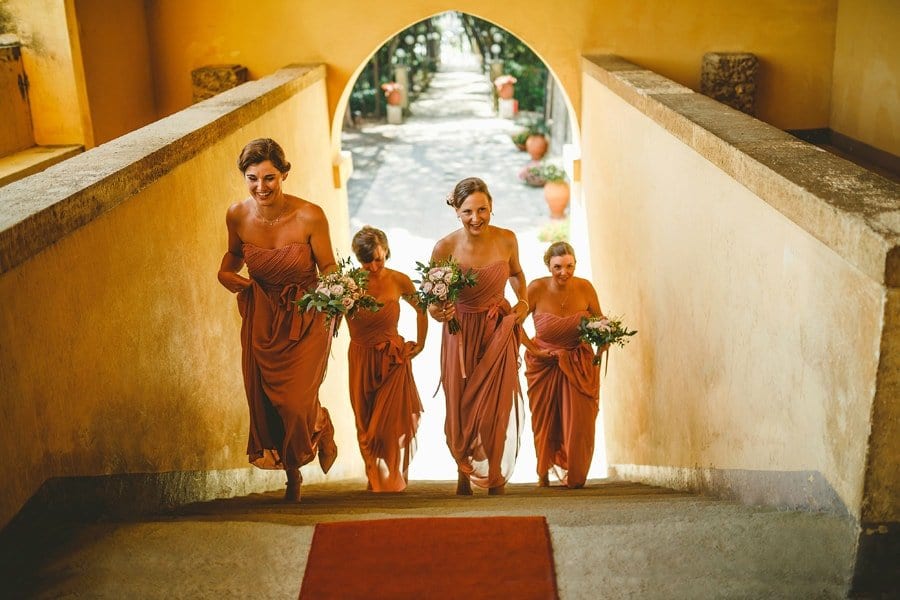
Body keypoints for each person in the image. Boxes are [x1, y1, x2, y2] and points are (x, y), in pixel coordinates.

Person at [217, 138, 338, 502]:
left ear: (284, 174)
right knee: (271, 401)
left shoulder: (310, 215)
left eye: (269, 178)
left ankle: (319, 421)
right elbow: (233, 256)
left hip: (308, 313)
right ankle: (292, 475)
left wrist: (336, 294)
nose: (261, 187)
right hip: (263, 317)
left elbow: (328, 265)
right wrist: (227, 276)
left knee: (295, 402)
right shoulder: (237, 215)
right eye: (252, 178)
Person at [428, 177, 528, 495]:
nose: (476, 218)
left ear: (491, 206)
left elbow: (516, 272)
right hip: (459, 334)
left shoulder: (507, 239)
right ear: (456, 210)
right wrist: (436, 311)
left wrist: (522, 301)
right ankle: (463, 467)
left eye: (482, 209)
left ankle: (495, 473)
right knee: (460, 406)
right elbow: (432, 299)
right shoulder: (444, 247)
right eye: (468, 211)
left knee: (497, 406)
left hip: (498, 329)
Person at [347, 226, 427, 492]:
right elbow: (329, 316)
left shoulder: (399, 280)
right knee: (365, 419)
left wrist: (421, 343)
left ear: (387, 251)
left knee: (390, 420)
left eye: (378, 258)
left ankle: (393, 472)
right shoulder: (348, 283)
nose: (373, 266)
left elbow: (421, 309)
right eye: (365, 260)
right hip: (361, 356)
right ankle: (372, 472)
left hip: (393, 358)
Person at [522, 242, 603, 489]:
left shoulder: (585, 287)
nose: (564, 272)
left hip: (577, 361)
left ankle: (576, 474)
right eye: (557, 267)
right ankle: (543, 472)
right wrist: (535, 350)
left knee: (579, 419)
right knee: (545, 419)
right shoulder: (535, 288)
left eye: (569, 266)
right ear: (548, 266)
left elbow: (600, 319)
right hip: (543, 363)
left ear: (575, 264)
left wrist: (604, 341)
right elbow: (514, 324)